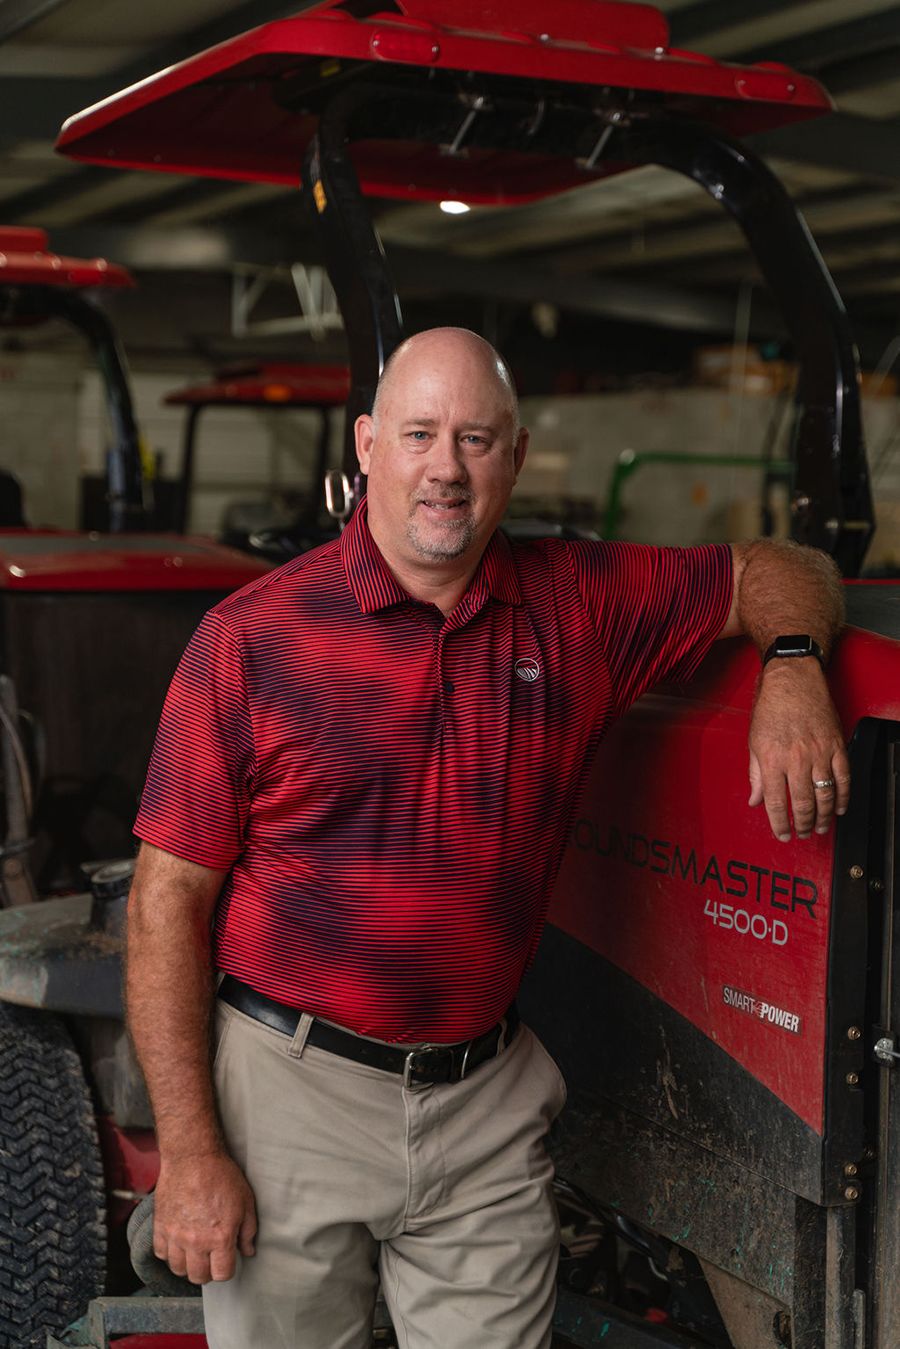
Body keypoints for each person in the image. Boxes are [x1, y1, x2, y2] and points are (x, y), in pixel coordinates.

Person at [127, 327, 849, 1349]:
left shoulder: (580, 601)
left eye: (475, 438)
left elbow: (782, 565)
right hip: (292, 1095)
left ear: (515, 455)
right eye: (421, 433)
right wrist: (193, 1146)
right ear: (369, 444)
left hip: (483, 1100)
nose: (446, 468)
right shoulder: (252, 639)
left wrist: (789, 662)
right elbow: (167, 902)